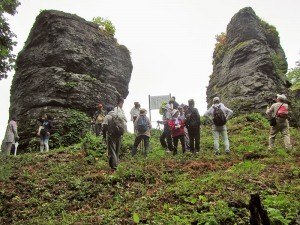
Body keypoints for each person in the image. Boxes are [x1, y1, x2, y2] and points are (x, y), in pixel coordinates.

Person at [103, 105, 122, 170]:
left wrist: (104, 136)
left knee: (112, 150)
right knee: (117, 151)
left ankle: (114, 167)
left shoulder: (107, 116)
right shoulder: (117, 116)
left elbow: (104, 126)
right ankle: (117, 165)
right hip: (119, 135)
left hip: (111, 135)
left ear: (107, 110)